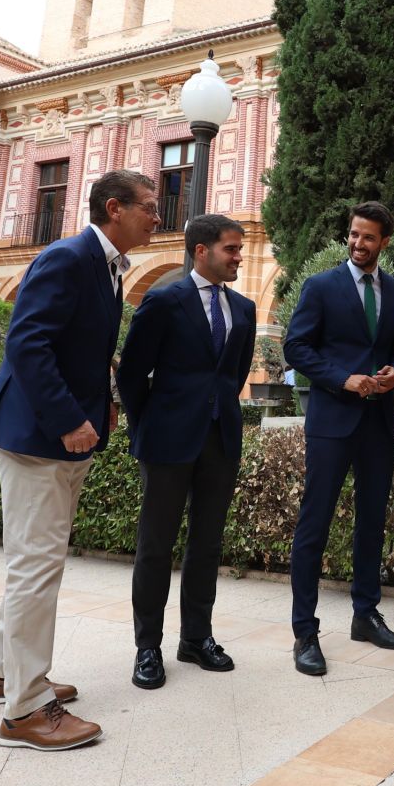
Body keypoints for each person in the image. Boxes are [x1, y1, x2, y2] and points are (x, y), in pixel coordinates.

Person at [0, 168, 159, 750]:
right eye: (149, 206)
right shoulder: (68, 257)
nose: (158, 215)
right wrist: (68, 420)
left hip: (58, 433)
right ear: (114, 208)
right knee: (36, 565)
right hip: (38, 438)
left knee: (33, 562)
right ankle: (25, 711)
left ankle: (7, 674)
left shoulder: (103, 264)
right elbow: (27, 343)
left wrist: (98, 405)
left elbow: (79, 349)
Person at [118, 213, 256, 690]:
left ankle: (196, 638)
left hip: (221, 439)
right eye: (231, 249)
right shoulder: (163, 300)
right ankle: (148, 647)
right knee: (156, 546)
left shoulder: (244, 308)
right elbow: (131, 374)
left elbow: (234, 375)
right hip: (167, 441)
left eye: (239, 250)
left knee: (207, 544)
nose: (238, 257)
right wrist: (148, 426)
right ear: (202, 251)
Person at [282, 201, 394, 676]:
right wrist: (344, 379)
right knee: (313, 525)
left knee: (372, 522)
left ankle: (365, 615)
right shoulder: (321, 286)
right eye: (353, 235)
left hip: (378, 421)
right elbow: (295, 347)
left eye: (368, 238)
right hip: (332, 421)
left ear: (384, 242)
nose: (358, 244)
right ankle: (305, 632)